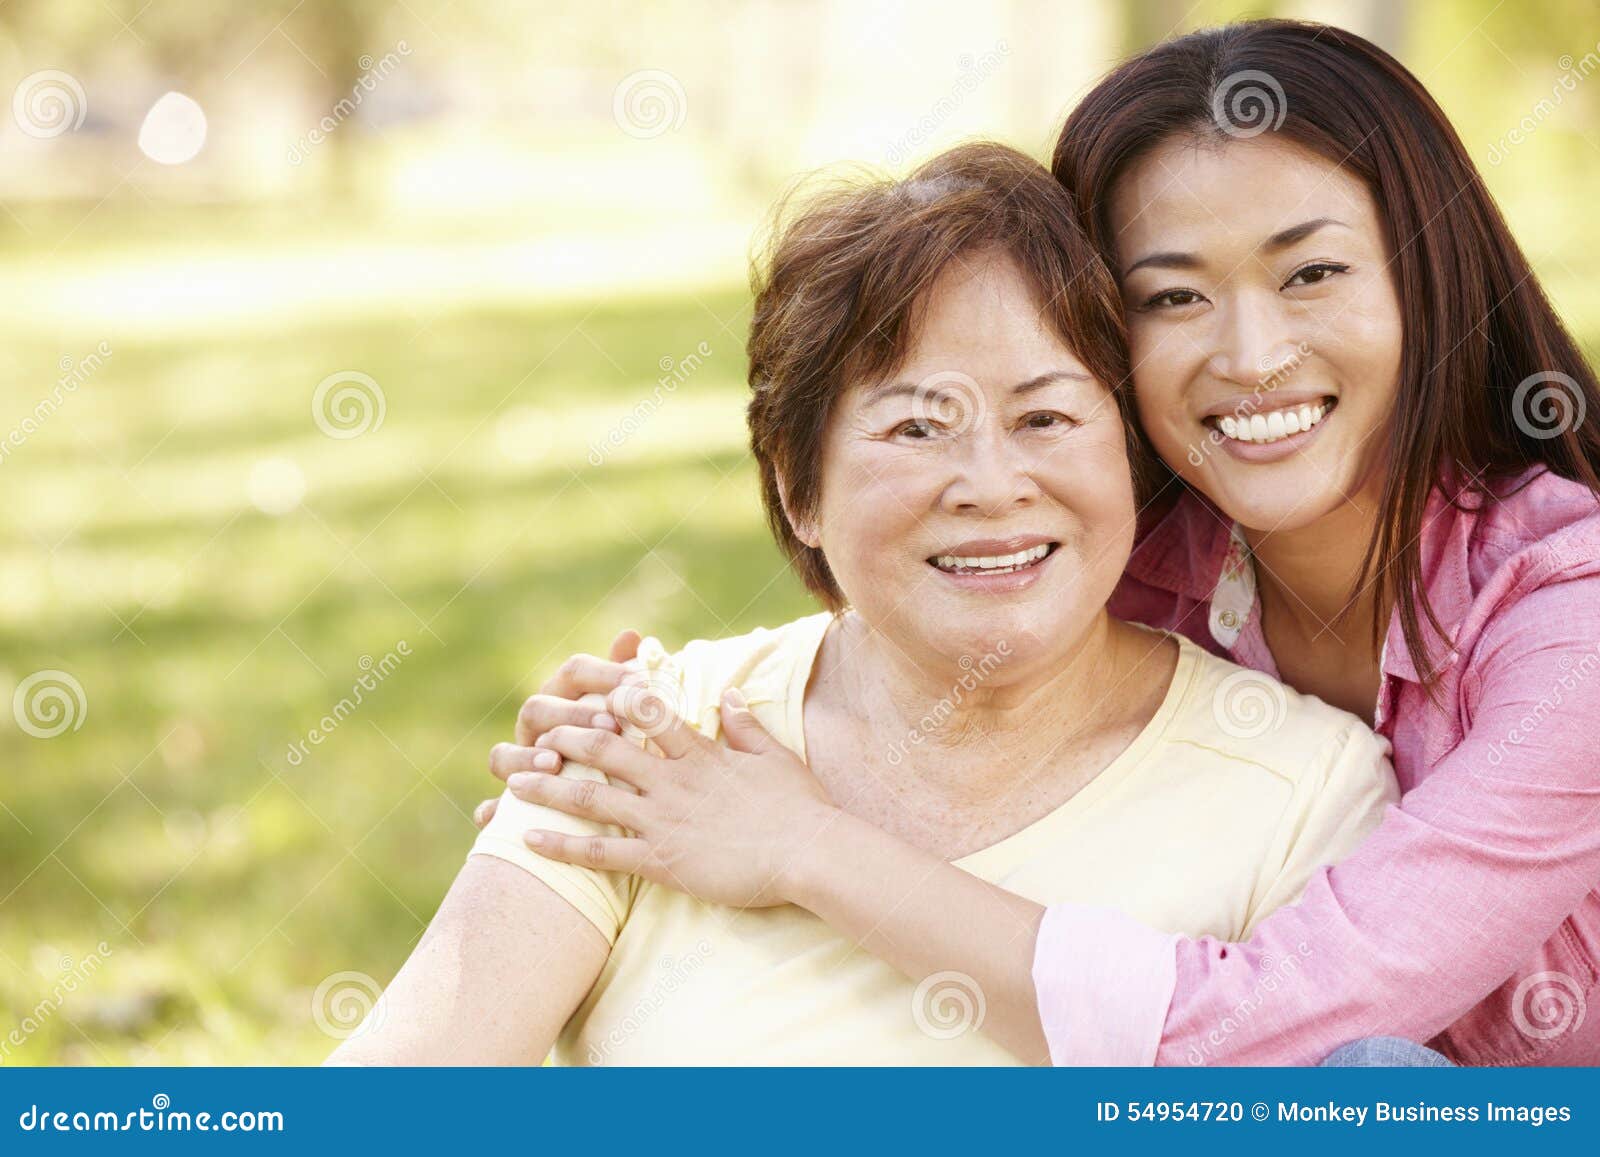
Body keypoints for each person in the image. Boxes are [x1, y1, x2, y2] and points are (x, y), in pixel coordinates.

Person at [486, 20, 1600, 1066]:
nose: (1252, 353)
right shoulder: (1135, 548)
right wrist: (642, 745)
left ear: (1429, 276)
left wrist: (799, 842)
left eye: (1311, 272)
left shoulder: (1573, 623)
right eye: (1172, 296)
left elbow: (1251, 1034)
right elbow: (920, 576)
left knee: (1363, 1083)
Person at [330, 141, 1394, 1065]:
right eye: (915, 428)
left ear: (1129, 453)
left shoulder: (1300, 790)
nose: (988, 482)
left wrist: (805, 848)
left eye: (1046, 418)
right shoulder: (649, 739)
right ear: (798, 489)